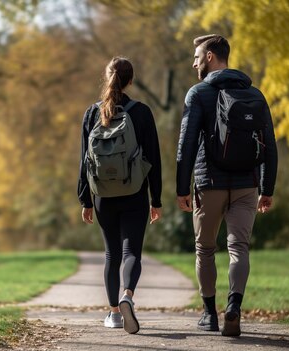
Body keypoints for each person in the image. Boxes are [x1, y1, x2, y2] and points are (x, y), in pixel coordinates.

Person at [176, 34, 278, 336]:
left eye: (197, 56)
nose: (194, 62)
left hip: (209, 184)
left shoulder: (198, 93)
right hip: (247, 185)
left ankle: (209, 314)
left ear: (210, 57)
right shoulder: (256, 95)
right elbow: (269, 146)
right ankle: (234, 305)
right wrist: (267, 188)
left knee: (205, 250)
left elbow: (186, 144)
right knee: (239, 248)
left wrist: (182, 188)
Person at [78, 57, 163, 334]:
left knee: (111, 254)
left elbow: (84, 160)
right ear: (131, 80)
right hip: (135, 192)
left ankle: (114, 314)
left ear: (107, 77)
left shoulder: (92, 113)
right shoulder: (141, 112)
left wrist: (85, 199)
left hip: (102, 195)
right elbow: (153, 158)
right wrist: (156, 199)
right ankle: (128, 294)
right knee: (130, 252)